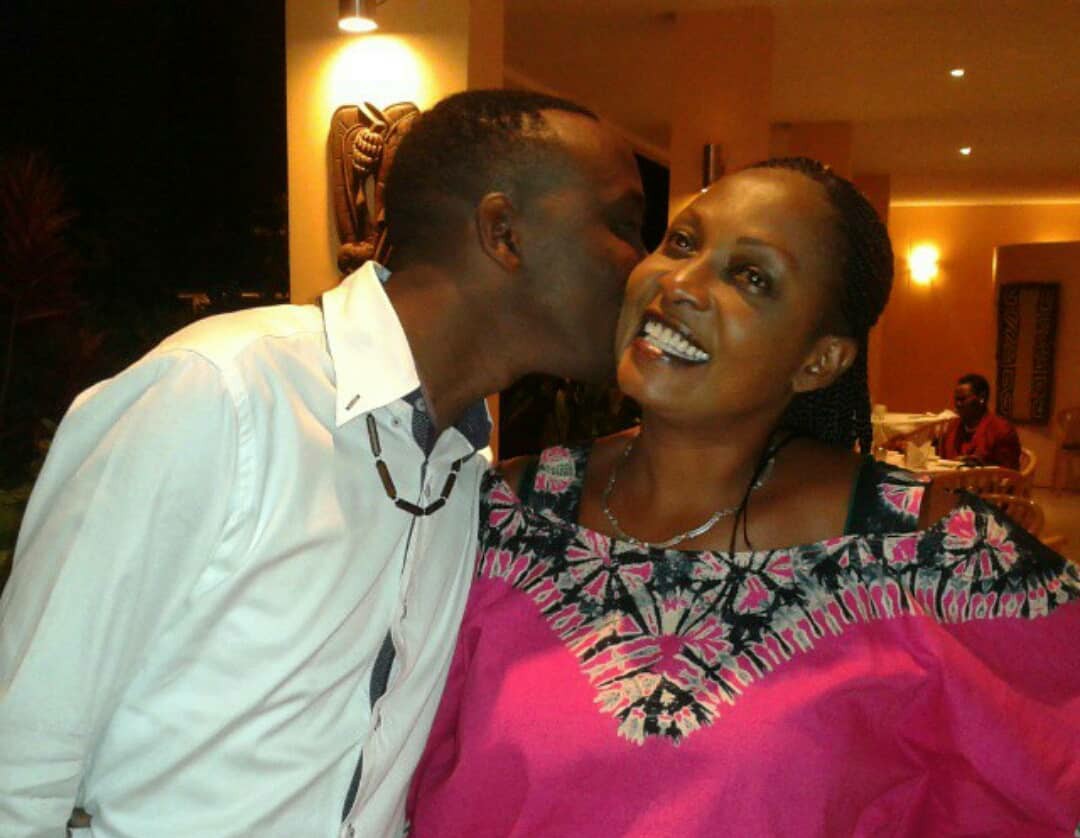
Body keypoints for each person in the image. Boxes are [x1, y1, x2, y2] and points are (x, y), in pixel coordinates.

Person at [0, 90, 646, 837]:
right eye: (624, 225)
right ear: (504, 232)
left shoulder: (463, 473)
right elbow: (20, 758)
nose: (645, 266)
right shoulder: (222, 393)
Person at [407, 158, 1080, 835]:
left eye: (751, 277)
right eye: (681, 242)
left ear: (819, 359)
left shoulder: (917, 548)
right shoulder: (507, 512)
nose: (680, 283)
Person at [939, 372, 1022, 469]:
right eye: (956, 399)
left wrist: (977, 464)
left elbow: (1009, 471)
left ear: (982, 398)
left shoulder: (1001, 429)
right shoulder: (952, 427)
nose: (958, 404)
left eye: (963, 399)